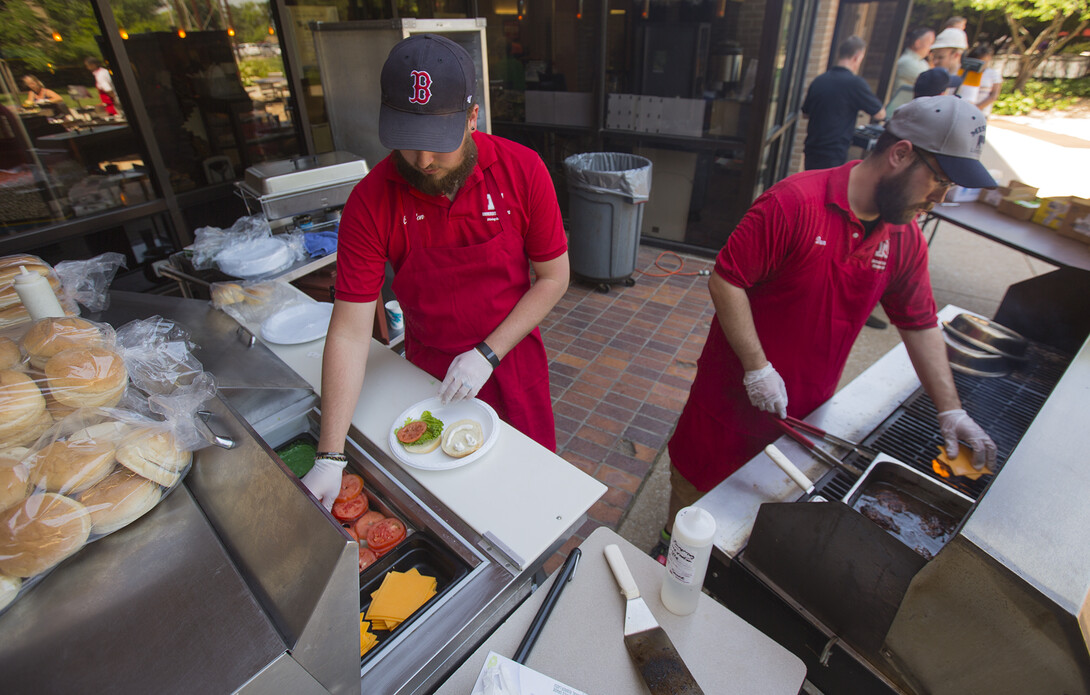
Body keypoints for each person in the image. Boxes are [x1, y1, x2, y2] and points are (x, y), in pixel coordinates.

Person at [654, 95, 999, 559]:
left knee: (749, 545)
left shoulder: (904, 239)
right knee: (689, 527)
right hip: (727, 416)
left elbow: (918, 325)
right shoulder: (794, 203)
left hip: (804, 422)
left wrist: (949, 410)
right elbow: (727, 280)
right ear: (900, 154)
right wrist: (757, 367)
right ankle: (662, 560)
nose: (939, 198)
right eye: (938, 179)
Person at [302, 34, 570, 509]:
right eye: (408, 144)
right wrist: (330, 454)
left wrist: (488, 353)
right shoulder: (371, 201)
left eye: (437, 145)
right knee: (451, 502)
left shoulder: (522, 170)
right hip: (429, 376)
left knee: (529, 497)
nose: (422, 161)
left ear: (472, 117)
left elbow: (553, 277)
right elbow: (348, 332)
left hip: (512, 361)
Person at [801, 36, 886, 171]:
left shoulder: (820, 80)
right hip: (834, 152)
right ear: (857, 57)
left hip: (812, 148)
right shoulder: (855, 84)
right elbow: (880, 114)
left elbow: (805, 114)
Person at [888, 28, 935, 112]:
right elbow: (933, 82)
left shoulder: (921, 62)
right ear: (918, 43)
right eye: (930, 43)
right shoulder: (907, 62)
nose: (931, 48)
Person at [966, 44, 1002, 116]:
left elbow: (994, 95)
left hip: (981, 113)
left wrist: (977, 108)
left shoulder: (993, 74)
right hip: (964, 110)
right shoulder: (966, 72)